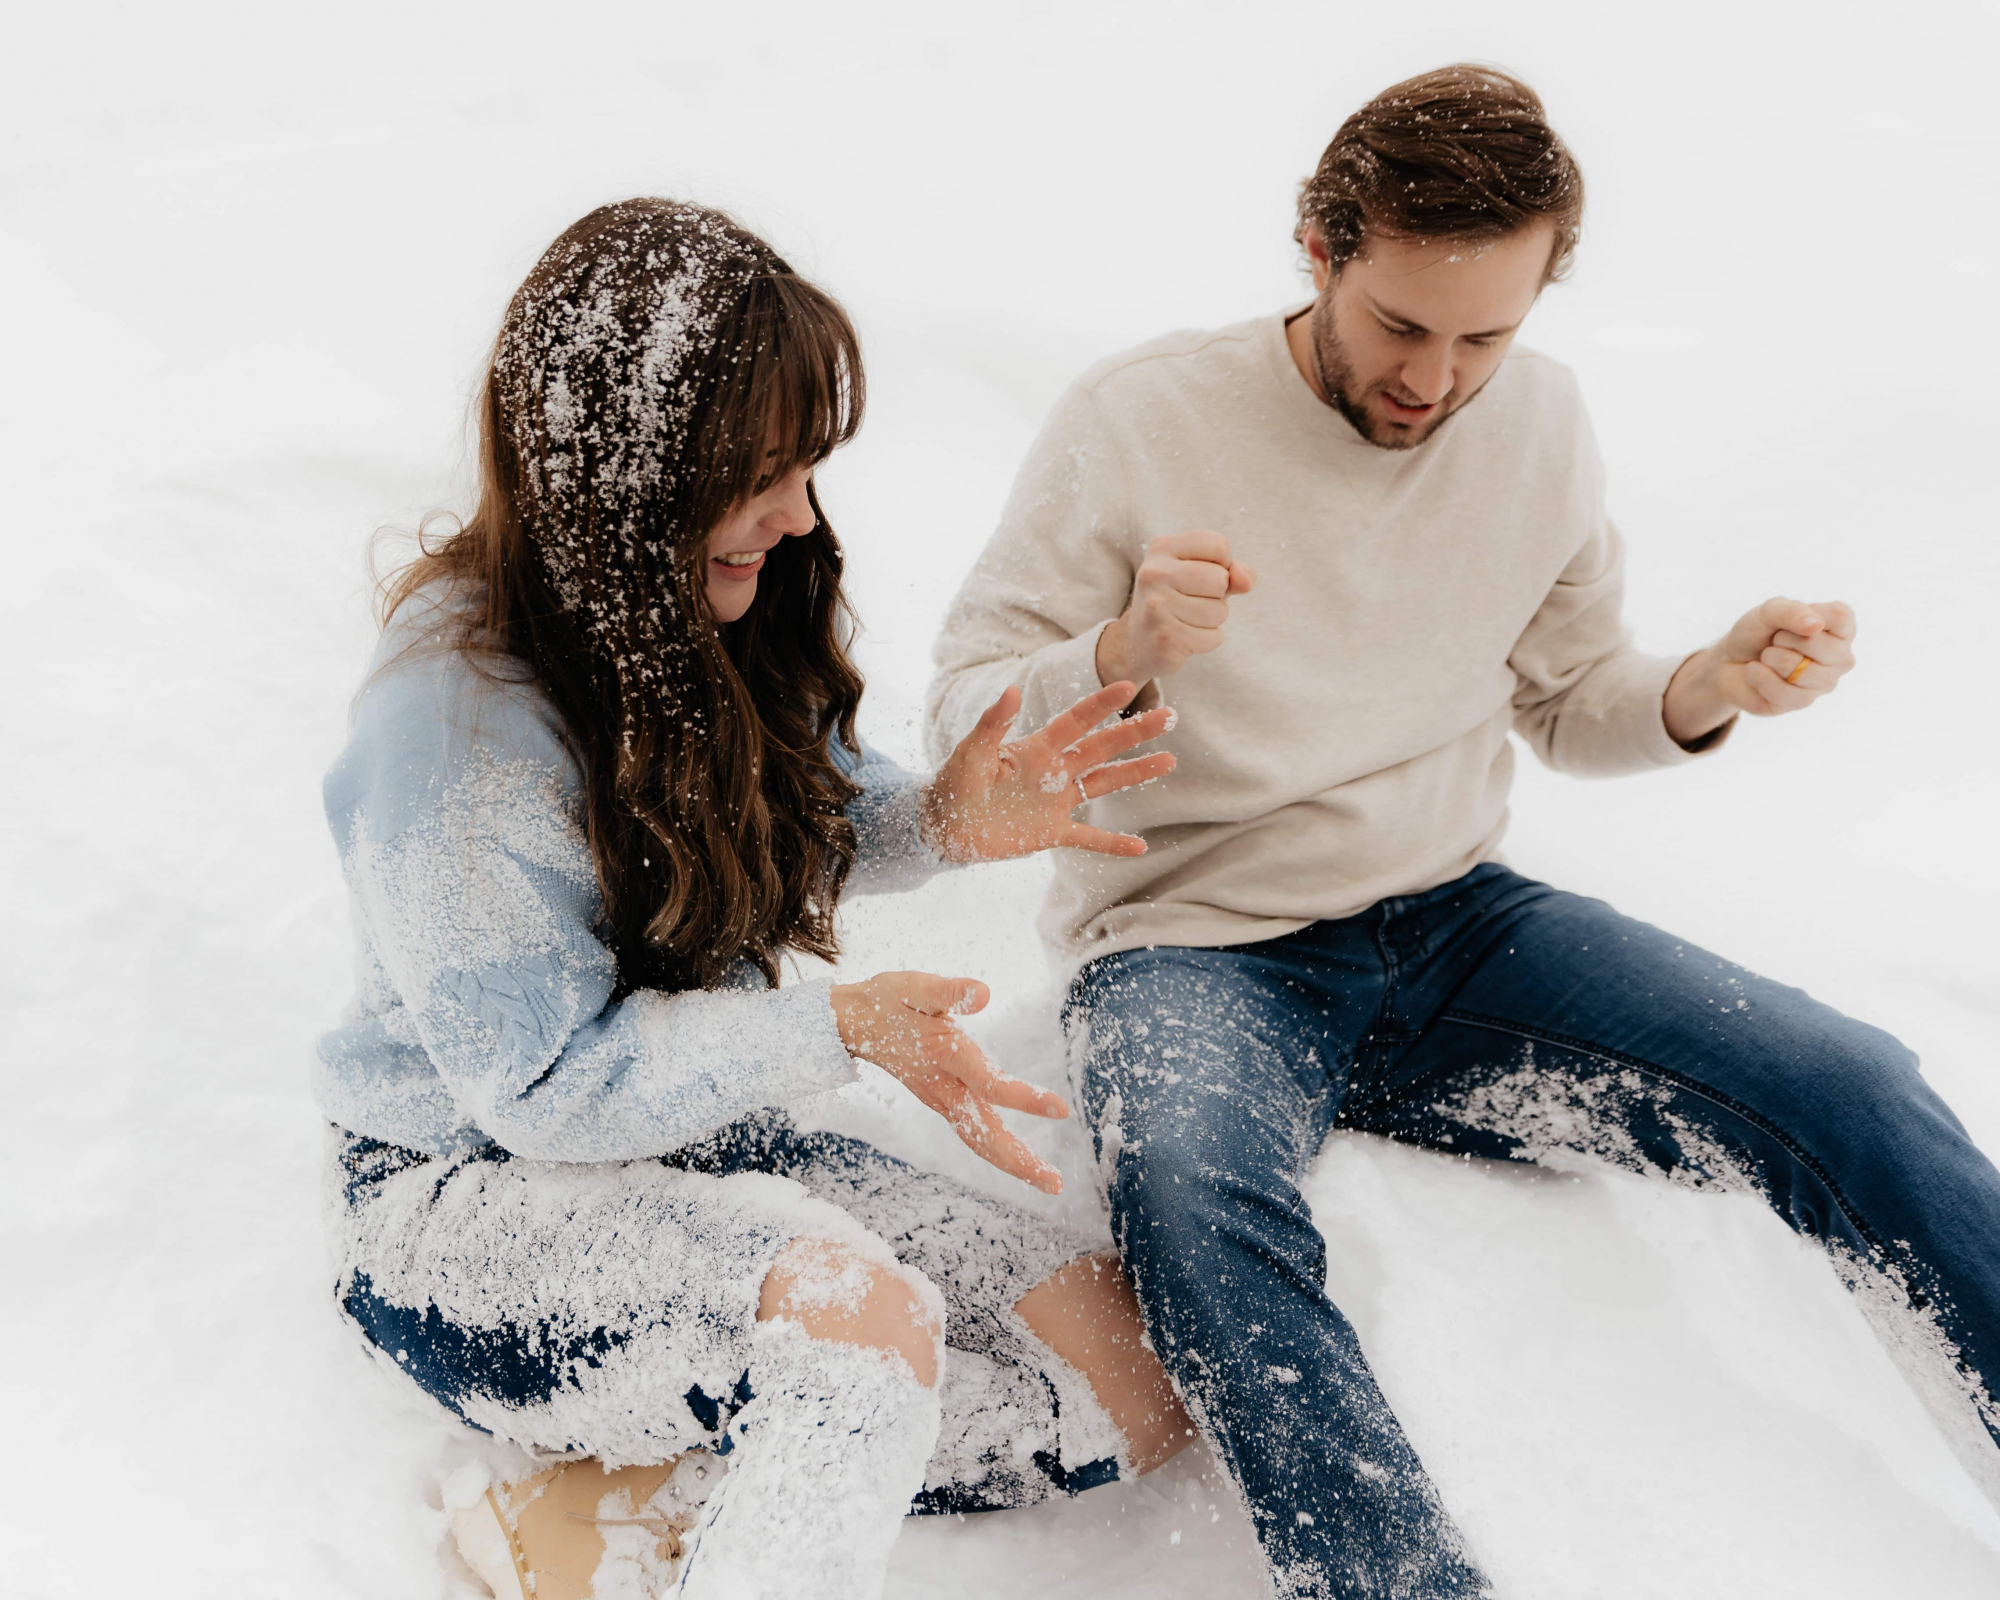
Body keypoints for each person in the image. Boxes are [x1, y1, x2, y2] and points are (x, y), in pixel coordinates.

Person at [925, 63, 2000, 1598]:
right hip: (1188, 947)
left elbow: (1569, 698)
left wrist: (1709, 685)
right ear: (1319, 249)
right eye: (1401, 327)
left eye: (1485, 336)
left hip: (1452, 925)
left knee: (1851, 1085)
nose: (1435, 379)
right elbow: (957, 727)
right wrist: (1114, 656)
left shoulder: (1541, 422)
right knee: (1189, 1204)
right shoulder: (1140, 419)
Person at [316, 198, 1194, 1600]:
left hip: (695, 1148)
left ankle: (641, 1503)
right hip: (466, 1204)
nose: (796, 517)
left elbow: (789, 825)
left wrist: (942, 823)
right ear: (628, 475)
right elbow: (538, 1091)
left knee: (1128, 1378)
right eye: (761, 472)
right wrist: (833, 1031)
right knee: (858, 1330)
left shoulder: (701, 610)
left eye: (806, 468)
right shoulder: (452, 738)